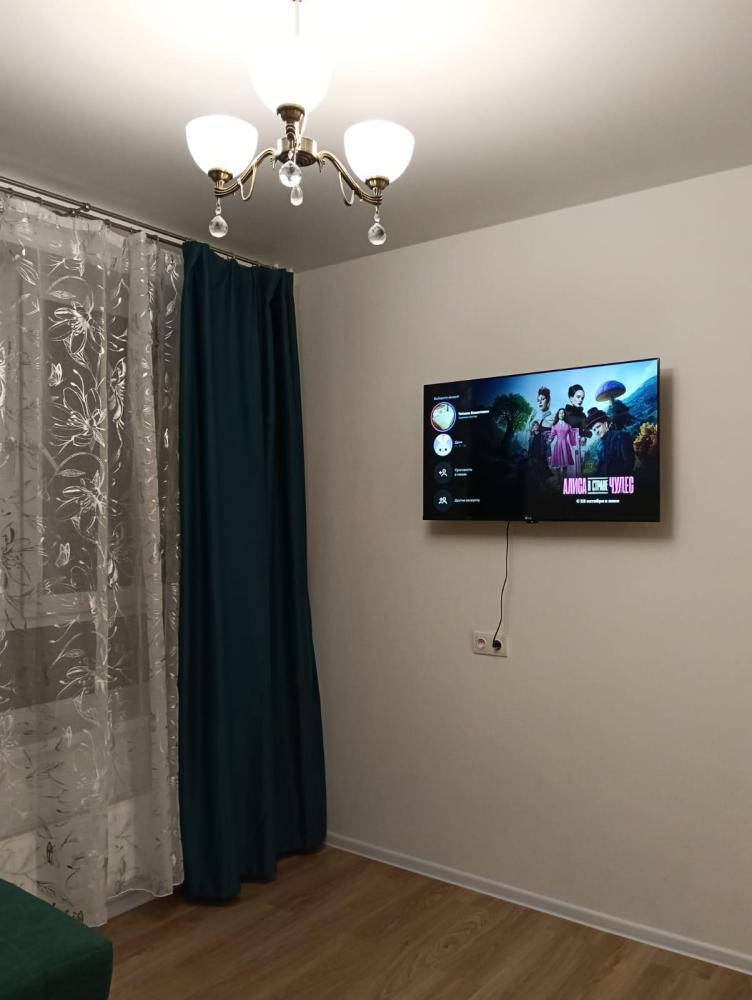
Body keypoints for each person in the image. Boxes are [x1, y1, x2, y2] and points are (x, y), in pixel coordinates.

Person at [585, 407, 635, 476]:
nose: (597, 431)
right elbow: (602, 467)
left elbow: (629, 462)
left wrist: (619, 480)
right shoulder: (599, 447)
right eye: (594, 430)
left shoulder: (621, 436)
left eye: (598, 427)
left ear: (605, 424)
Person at [563, 384, 588, 475]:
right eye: (578, 397)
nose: (580, 400)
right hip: (566, 446)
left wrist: (584, 437)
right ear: (571, 398)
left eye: (582, 398)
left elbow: (585, 431)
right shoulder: (564, 413)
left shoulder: (583, 415)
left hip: (580, 446)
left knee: (578, 470)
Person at [547, 408, 577, 480]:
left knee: (565, 464)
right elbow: (552, 435)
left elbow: (571, 436)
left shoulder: (568, 425)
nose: (561, 414)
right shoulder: (555, 425)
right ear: (558, 414)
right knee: (557, 464)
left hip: (566, 445)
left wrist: (574, 445)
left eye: (563, 413)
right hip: (558, 445)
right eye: (560, 413)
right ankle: (558, 480)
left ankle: (564, 480)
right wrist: (548, 441)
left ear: (564, 414)